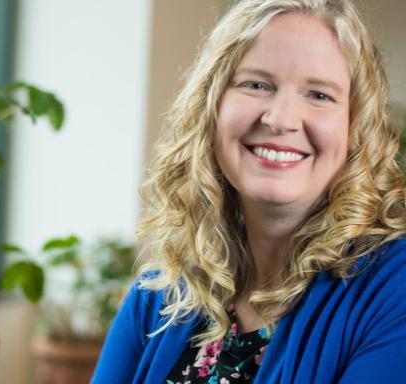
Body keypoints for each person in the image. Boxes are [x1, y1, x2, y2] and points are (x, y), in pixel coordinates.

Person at [92, 0, 406, 383]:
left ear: (357, 126)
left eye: (319, 95)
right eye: (256, 85)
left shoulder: (394, 290)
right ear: (211, 105)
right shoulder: (160, 294)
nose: (280, 119)